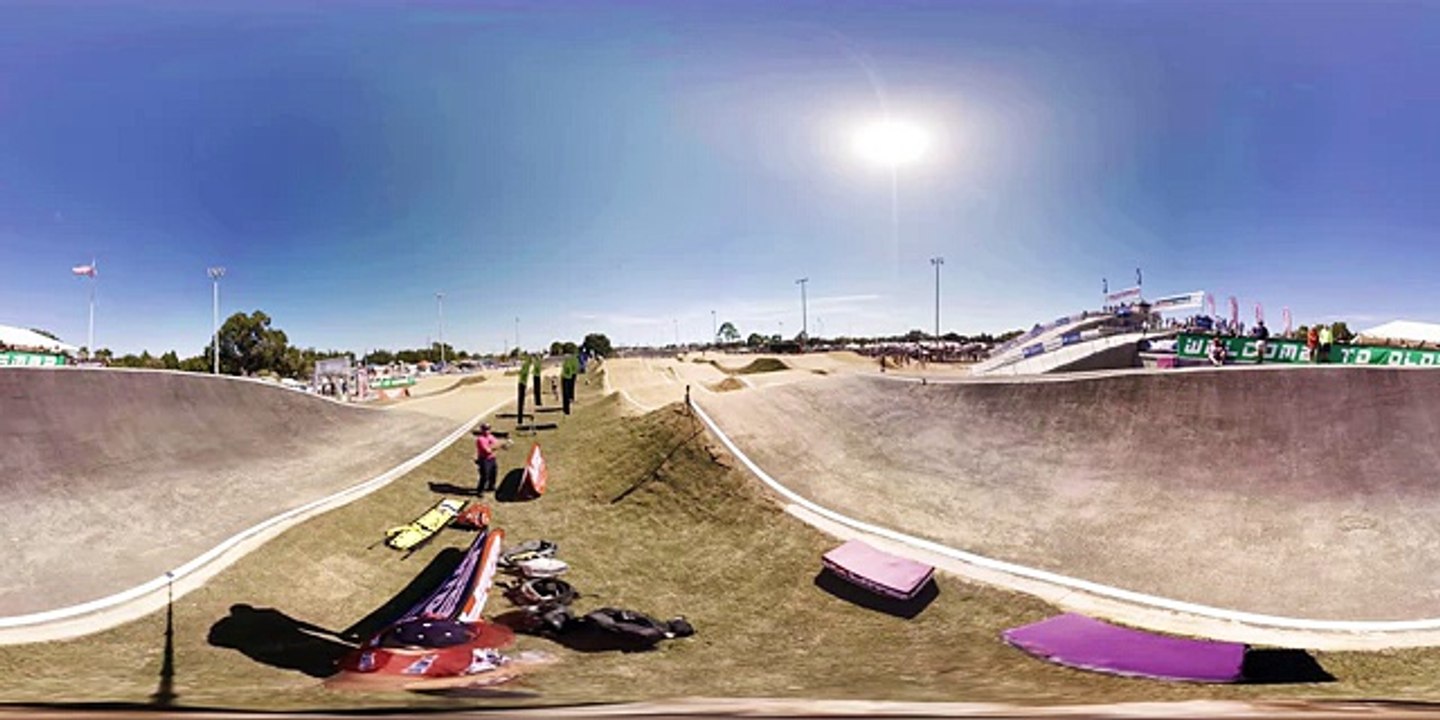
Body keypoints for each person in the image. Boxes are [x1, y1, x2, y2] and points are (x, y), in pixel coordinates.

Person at [473, 423, 510, 496]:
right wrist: (498, 445)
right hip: (484, 460)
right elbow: (487, 451)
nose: (487, 431)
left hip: (492, 458)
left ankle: (491, 486)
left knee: (493, 473)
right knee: (484, 476)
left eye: (488, 429)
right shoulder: (480, 439)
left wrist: (502, 445)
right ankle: (480, 490)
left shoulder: (491, 437)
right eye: (485, 429)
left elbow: (496, 444)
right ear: (482, 430)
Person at [516, 354, 530, 428]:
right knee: (521, 403)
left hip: (522, 384)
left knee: (521, 403)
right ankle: (520, 420)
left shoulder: (526, 366)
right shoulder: (526, 366)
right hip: (522, 384)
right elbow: (523, 375)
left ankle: (520, 420)